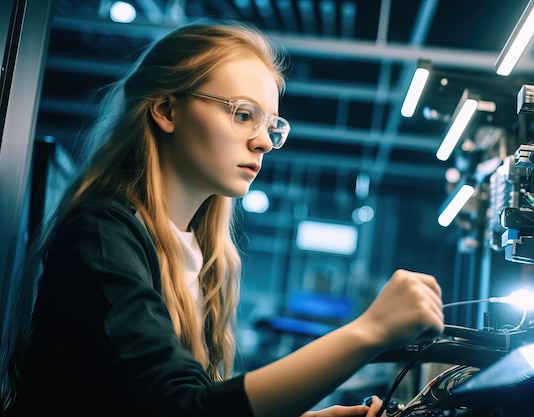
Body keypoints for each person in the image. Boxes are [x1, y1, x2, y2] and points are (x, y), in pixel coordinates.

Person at [0, 22, 444, 417]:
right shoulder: (101, 235)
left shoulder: (199, 254)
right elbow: (181, 409)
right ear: (167, 111)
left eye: (271, 125)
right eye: (243, 115)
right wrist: (369, 331)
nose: (264, 143)